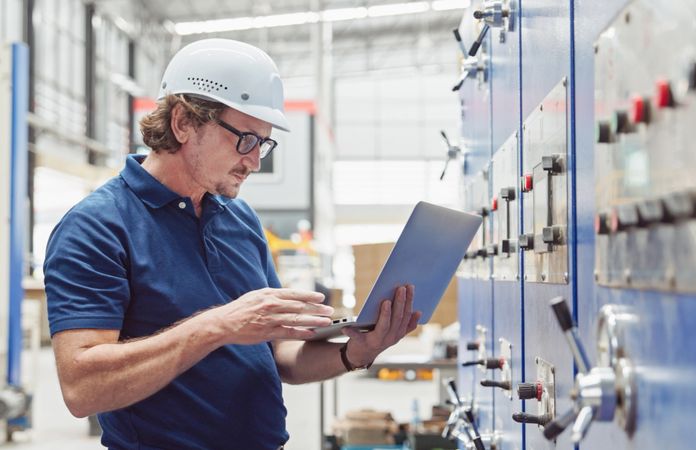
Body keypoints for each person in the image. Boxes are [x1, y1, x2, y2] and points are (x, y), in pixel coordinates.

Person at [43, 38, 421, 450]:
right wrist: (218, 325)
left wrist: (355, 352)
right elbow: (83, 387)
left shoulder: (240, 219)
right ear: (184, 122)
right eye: (245, 139)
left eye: (264, 143)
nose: (255, 161)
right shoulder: (97, 226)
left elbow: (280, 355)